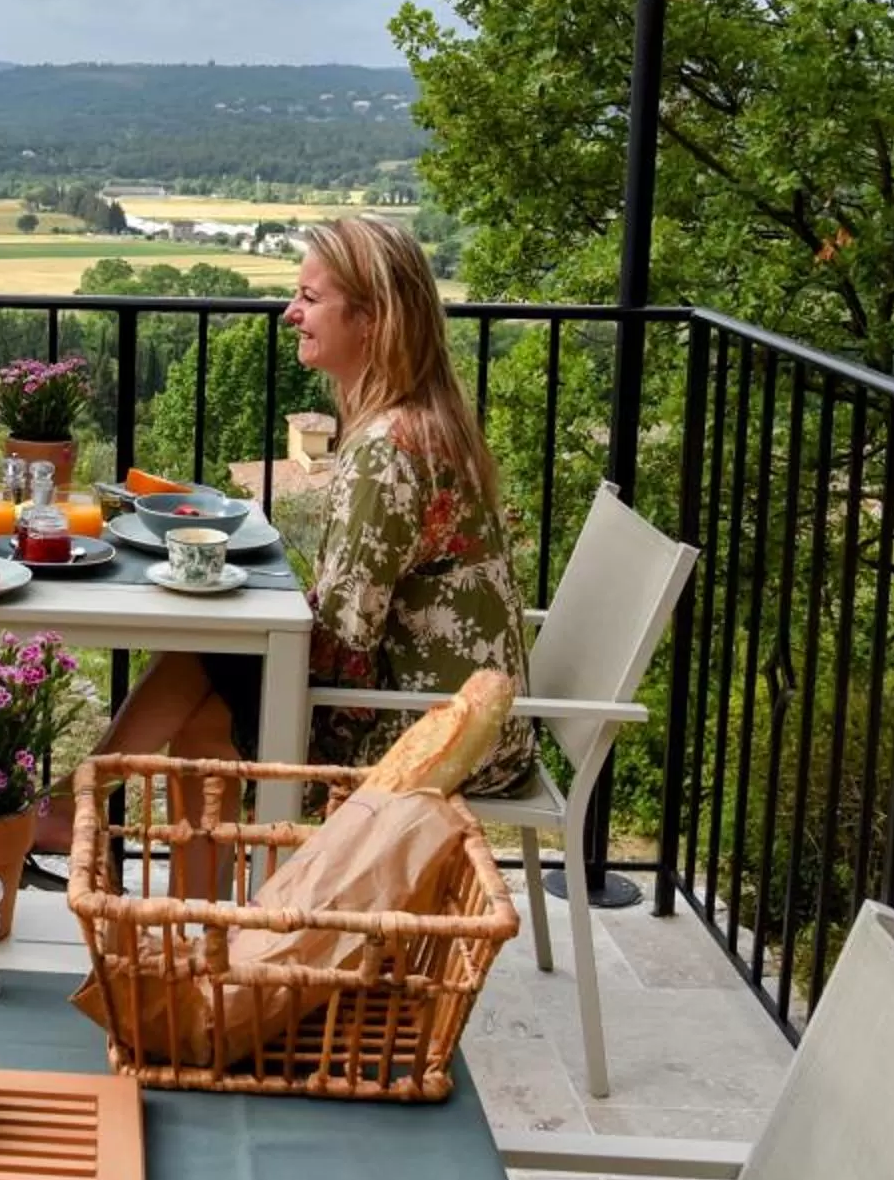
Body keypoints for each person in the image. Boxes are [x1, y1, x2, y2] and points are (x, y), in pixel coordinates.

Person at [36, 213, 534, 882]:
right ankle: (145, 872)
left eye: (310, 298)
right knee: (207, 668)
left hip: (433, 731)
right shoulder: (421, 422)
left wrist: (239, 626)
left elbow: (346, 640)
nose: (290, 312)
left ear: (373, 318)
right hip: (464, 711)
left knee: (205, 681)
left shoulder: (388, 451)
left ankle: (97, 821)